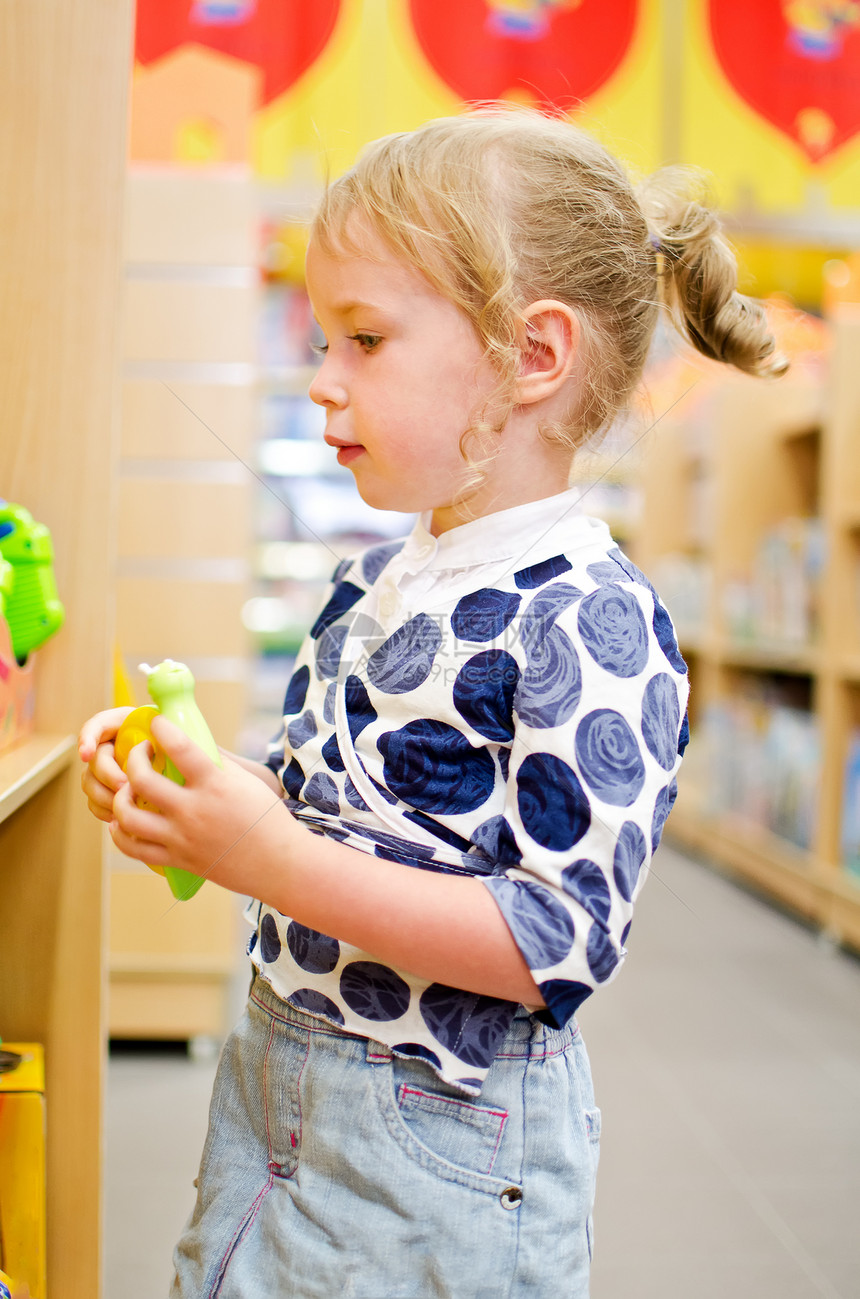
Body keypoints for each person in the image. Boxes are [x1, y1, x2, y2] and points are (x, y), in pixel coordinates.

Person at [79, 107, 785, 1298]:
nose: (320, 383)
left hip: (440, 1151)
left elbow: (553, 944)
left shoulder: (588, 619)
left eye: (363, 339)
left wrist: (272, 860)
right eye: (321, 340)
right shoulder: (375, 581)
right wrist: (209, 801)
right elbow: (332, 821)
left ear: (530, 357)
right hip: (273, 1092)